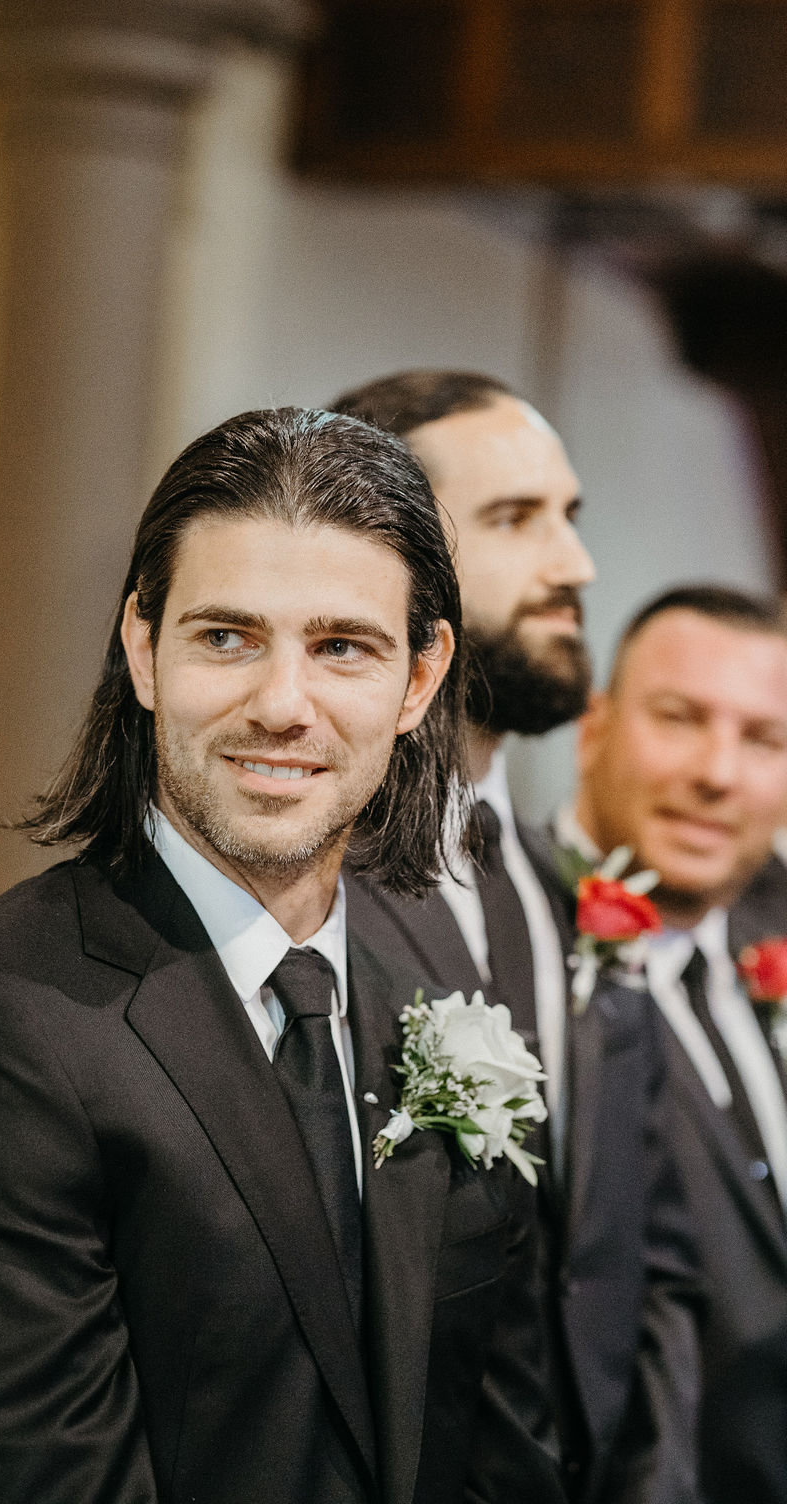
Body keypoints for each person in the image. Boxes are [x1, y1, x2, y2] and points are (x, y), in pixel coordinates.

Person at [0, 407, 565, 1504]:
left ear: (418, 681)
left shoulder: (432, 990)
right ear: (142, 651)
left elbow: (504, 1437)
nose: (281, 705)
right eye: (227, 637)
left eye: (341, 648)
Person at [332, 372, 702, 1502]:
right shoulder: (310, 898)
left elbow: (635, 1257)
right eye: (512, 520)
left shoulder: (562, 891)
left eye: (570, 519)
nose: (575, 568)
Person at [564, 583, 787, 1504]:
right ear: (595, 726)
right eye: (680, 718)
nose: (717, 773)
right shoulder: (509, 956)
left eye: (763, 740)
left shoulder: (768, 927)